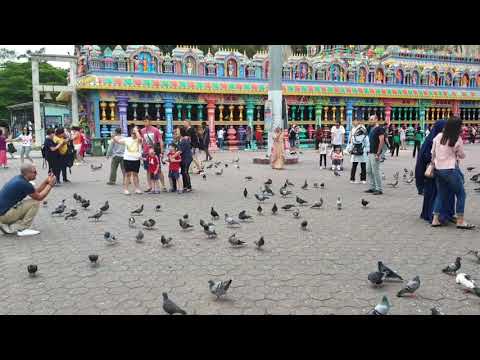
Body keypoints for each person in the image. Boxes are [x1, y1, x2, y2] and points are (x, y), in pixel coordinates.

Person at [431, 117, 474, 229]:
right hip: (450, 169)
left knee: (441, 193)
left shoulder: (438, 136)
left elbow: (433, 153)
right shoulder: (456, 138)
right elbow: (461, 155)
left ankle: (435, 219)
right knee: (461, 193)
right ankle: (460, 220)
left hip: (438, 169)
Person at [415, 119, 455, 224]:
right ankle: (434, 216)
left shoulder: (444, 140)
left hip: (443, 172)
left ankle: (443, 215)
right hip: (434, 174)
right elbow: (423, 159)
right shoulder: (430, 141)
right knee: (435, 193)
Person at [0, 163, 56, 236]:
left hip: (3, 214)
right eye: (34, 172)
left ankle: (7, 225)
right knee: (34, 202)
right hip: (4, 216)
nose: (37, 173)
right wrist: (50, 185)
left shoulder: (19, 179)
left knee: (30, 202)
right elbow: (39, 197)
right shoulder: (24, 184)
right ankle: (23, 229)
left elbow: (35, 192)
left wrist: (46, 182)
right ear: (28, 173)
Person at [114, 126, 143, 195]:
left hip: (136, 159)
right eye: (132, 133)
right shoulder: (127, 139)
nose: (133, 134)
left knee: (135, 174)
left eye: (135, 133)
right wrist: (114, 136)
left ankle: (137, 188)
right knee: (128, 174)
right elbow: (117, 141)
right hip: (127, 159)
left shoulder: (139, 140)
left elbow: (139, 139)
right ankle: (126, 189)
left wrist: (136, 131)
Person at [140, 117, 166, 193]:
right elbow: (142, 141)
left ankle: (163, 185)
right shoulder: (142, 130)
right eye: (144, 122)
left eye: (146, 121)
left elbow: (160, 140)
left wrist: (162, 151)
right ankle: (150, 186)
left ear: (150, 122)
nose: (145, 123)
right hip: (146, 153)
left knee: (159, 169)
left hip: (155, 153)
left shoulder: (155, 130)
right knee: (148, 170)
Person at [365, 115, 385, 195]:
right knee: (369, 170)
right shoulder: (370, 128)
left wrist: (378, 153)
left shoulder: (379, 129)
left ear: (376, 120)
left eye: (372, 119)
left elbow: (382, 141)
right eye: (370, 119)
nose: (370, 121)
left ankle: (379, 189)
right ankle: (372, 187)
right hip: (370, 152)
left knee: (375, 171)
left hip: (375, 153)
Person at [178, 127, 193, 192]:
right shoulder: (182, 139)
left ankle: (189, 186)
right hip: (183, 158)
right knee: (183, 172)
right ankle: (185, 186)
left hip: (187, 158)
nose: (177, 132)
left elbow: (180, 151)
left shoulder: (184, 140)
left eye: (178, 131)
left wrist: (172, 156)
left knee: (185, 172)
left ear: (181, 133)